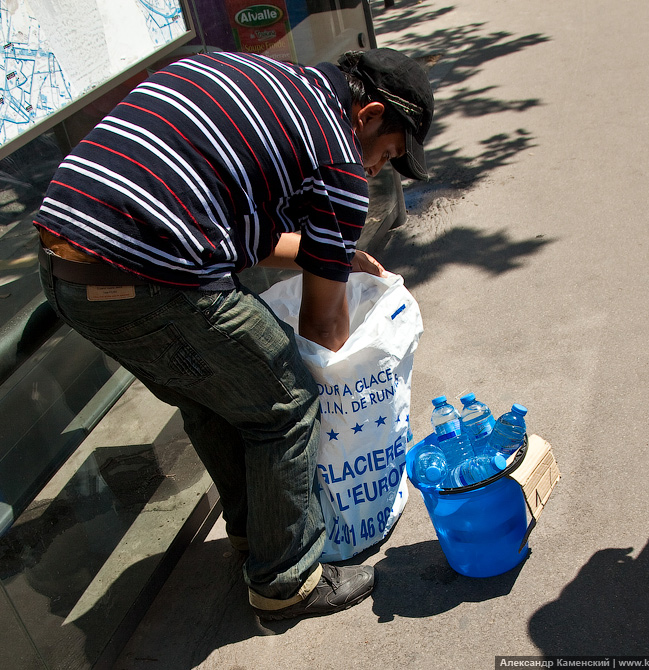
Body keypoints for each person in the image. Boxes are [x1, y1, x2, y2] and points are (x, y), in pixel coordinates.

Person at [33, 48, 433, 621]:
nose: (378, 171)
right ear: (367, 114)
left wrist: (338, 258)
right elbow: (322, 327)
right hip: (148, 274)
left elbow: (237, 235)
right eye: (388, 153)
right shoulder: (341, 161)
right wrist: (344, 371)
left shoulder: (259, 84)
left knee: (214, 394)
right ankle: (287, 580)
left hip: (66, 267)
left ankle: (255, 539)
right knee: (288, 401)